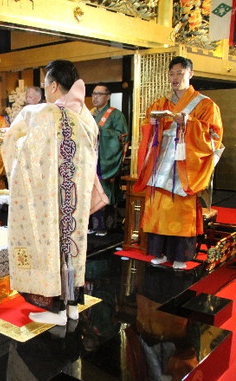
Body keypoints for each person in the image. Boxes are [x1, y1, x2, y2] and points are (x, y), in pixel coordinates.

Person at [1, 60, 98, 326]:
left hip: (48, 201)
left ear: (54, 85)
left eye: (45, 84)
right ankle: (72, 305)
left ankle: (55, 310)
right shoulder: (85, 116)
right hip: (75, 199)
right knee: (72, 246)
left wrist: (12, 142)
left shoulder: (42, 114)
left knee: (49, 245)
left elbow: (20, 149)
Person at [135, 56, 223, 270]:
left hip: (185, 165)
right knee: (158, 208)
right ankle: (159, 252)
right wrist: (153, 123)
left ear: (190, 74)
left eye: (180, 73)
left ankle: (181, 256)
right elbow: (147, 127)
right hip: (161, 162)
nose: (175, 78)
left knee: (180, 211)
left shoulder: (206, 105)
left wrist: (189, 123)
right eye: (171, 74)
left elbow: (214, 137)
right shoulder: (161, 103)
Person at [88, 83, 129, 236]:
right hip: (90, 160)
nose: (95, 97)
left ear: (108, 97)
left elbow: (122, 137)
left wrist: (102, 132)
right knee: (89, 192)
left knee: (104, 192)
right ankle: (91, 225)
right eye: (94, 94)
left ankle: (104, 226)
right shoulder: (89, 114)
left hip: (105, 161)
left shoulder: (116, 115)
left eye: (99, 94)